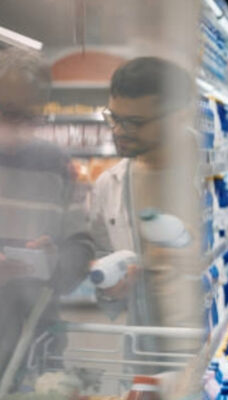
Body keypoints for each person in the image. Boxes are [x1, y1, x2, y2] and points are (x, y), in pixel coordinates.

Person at [90, 57, 201, 363]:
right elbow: (102, 260)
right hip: (144, 353)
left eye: (135, 122)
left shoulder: (215, 176)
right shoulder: (108, 185)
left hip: (213, 346)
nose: (118, 130)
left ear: (179, 116)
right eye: (113, 117)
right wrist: (109, 289)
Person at [0, 47, 94, 381]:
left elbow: (81, 247)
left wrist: (57, 260)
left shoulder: (55, 164)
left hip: (34, 348)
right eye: (9, 112)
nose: (20, 127)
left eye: (31, 116)